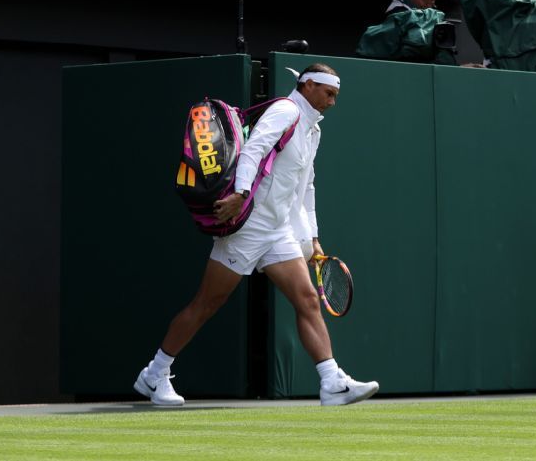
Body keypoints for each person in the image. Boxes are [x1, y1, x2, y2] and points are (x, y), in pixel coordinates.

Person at [135, 65, 379, 408]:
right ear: (308, 86)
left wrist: (312, 237)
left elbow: (305, 186)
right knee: (207, 303)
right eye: (329, 94)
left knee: (307, 299)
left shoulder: (313, 131)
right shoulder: (285, 111)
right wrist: (240, 193)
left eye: (335, 96)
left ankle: (331, 381)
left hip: (278, 231)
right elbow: (253, 151)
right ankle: (154, 373)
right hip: (248, 227)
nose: (332, 102)